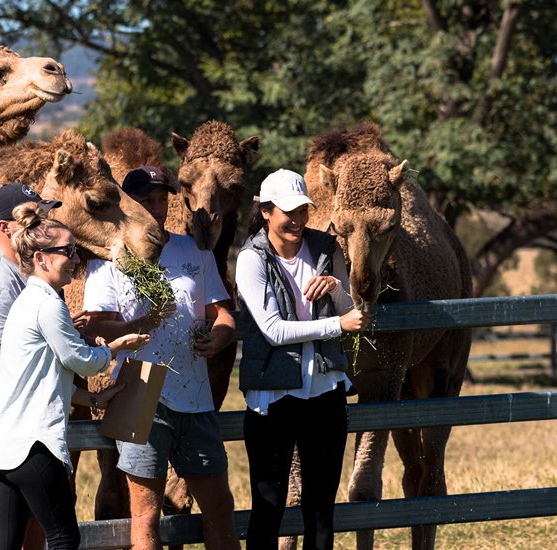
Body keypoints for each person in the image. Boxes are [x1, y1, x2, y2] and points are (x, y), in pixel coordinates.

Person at [80, 166, 240, 550]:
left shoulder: (194, 251)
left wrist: (218, 338)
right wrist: (143, 322)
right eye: (146, 200)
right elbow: (93, 328)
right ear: (131, 205)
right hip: (139, 389)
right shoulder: (110, 259)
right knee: (146, 514)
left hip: (195, 394)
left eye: (161, 199)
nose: (156, 207)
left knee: (219, 505)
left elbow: (223, 314)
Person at [0, 202, 150, 550]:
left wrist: (91, 399)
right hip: (32, 448)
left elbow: (38, 377)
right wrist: (115, 347)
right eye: (68, 251)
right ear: (41, 259)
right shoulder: (48, 304)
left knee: (6, 544)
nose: (76, 258)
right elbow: (82, 361)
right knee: (63, 538)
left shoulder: (26, 302)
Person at [234, 168, 369, 550]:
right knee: (269, 507)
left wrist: (338, 288)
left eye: (302, 210)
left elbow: (354, 312)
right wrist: (335, 324)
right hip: (273, 399)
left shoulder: (327, 249)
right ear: (266, 212)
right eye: (287, 211)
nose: (296, 219)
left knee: (322, 510)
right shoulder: (251, 259)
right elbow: (273, 331)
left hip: (325, 393)